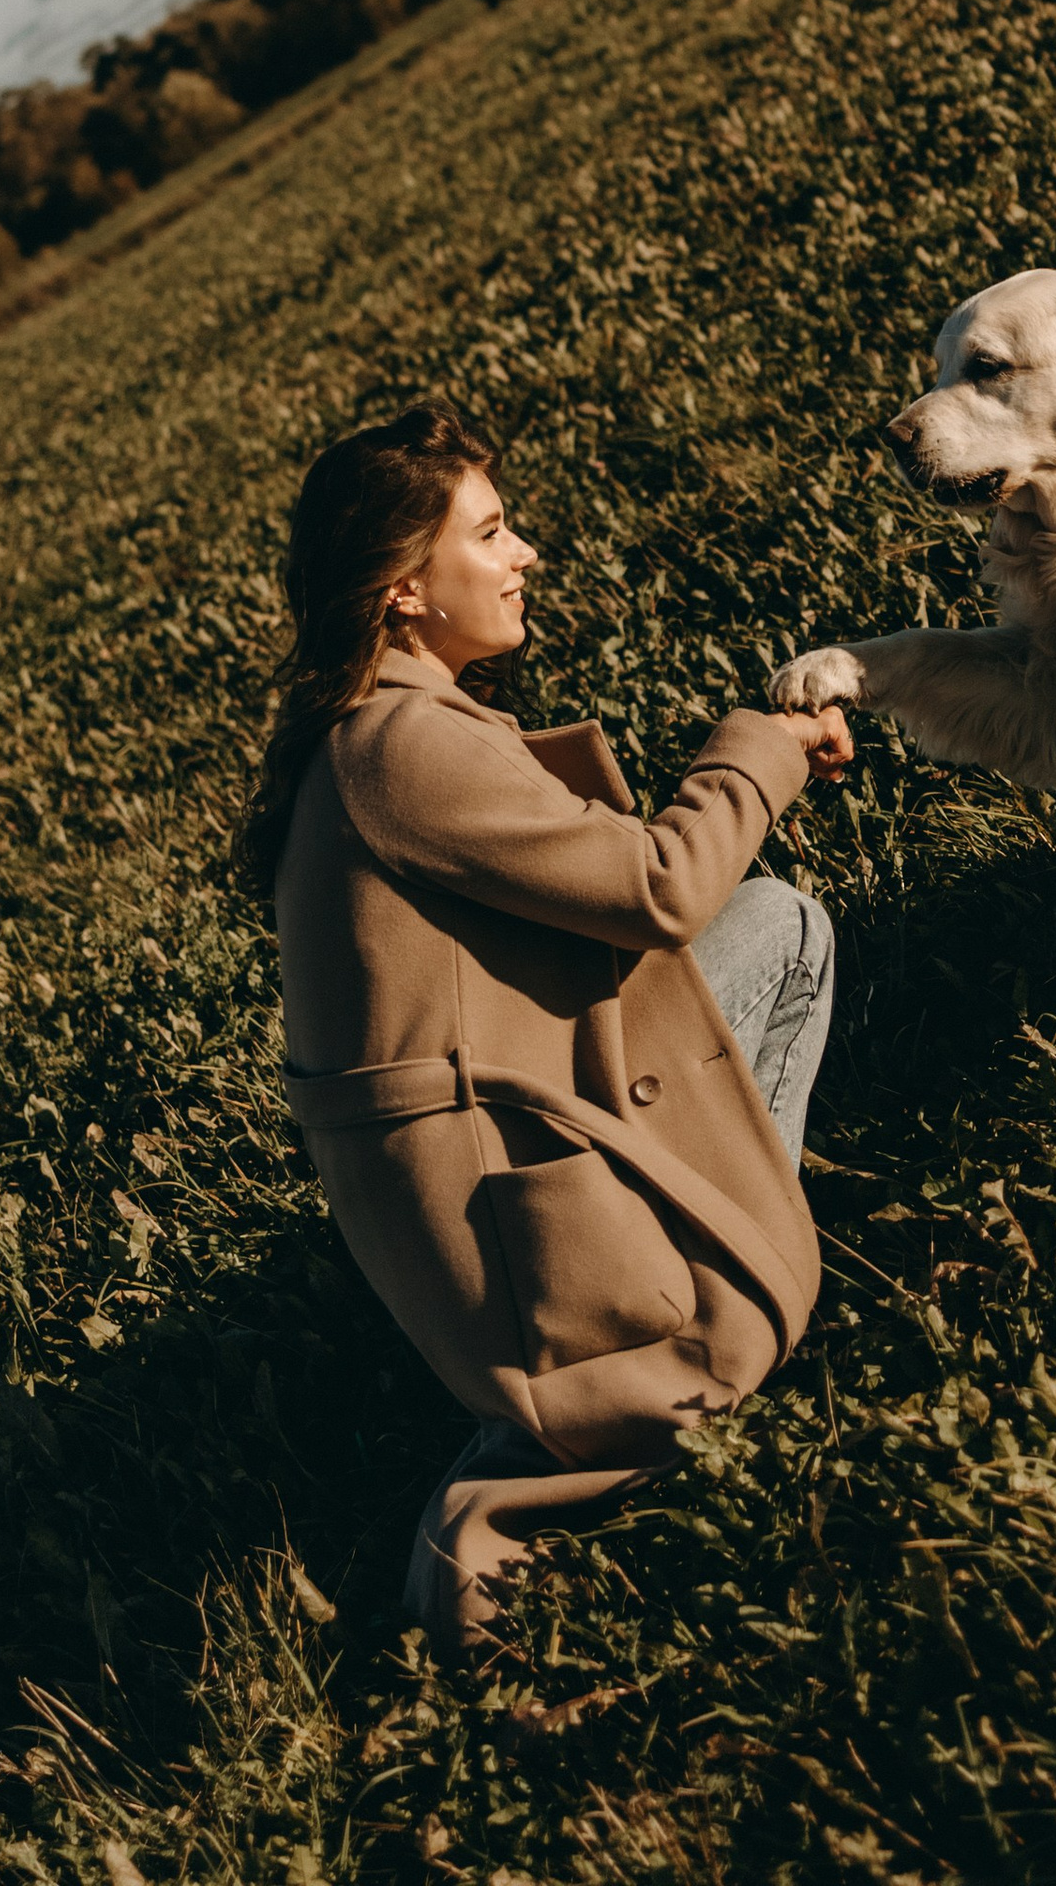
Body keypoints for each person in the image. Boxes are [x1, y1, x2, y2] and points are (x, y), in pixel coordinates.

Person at [235, 400, 854, 1649]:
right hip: (509, 1222)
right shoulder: (400, 745)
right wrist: (763, 748)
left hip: (497, 1168)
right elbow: (663, 887)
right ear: (406, 590)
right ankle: (528, 1472)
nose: (525, 556)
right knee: (775, 931)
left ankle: (721, 1252)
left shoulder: (381, 731)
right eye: (494, 531)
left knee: (775, 922)